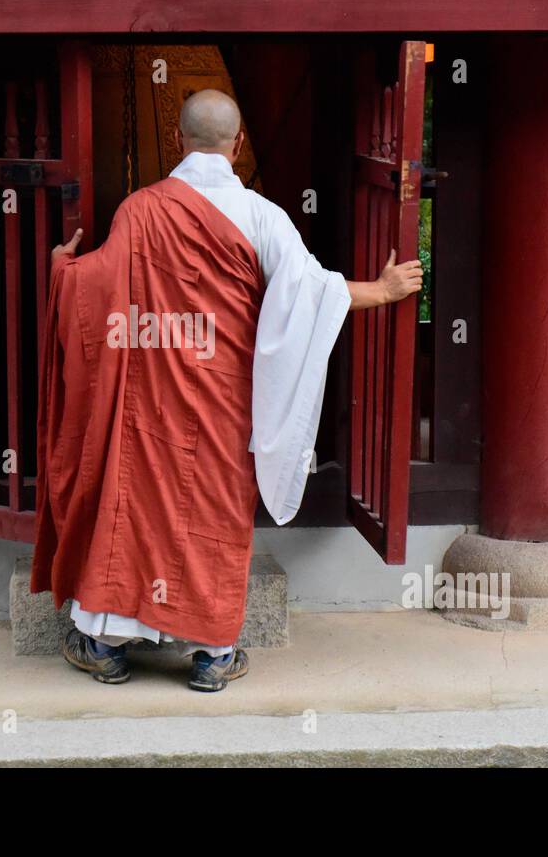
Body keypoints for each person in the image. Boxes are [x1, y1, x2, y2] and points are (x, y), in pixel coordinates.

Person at [32, 89, 423, 691]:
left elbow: (98, 291)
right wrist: (384, 287)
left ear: (179, 141)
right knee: (211, 512)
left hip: (149, 400)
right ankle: (213, 654)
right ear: (237, 144)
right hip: (224, 404)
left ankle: (105, 645)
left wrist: (62, 270)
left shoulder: (139, 210)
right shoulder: (263, 216)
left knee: (135, 507)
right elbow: (310, 293)